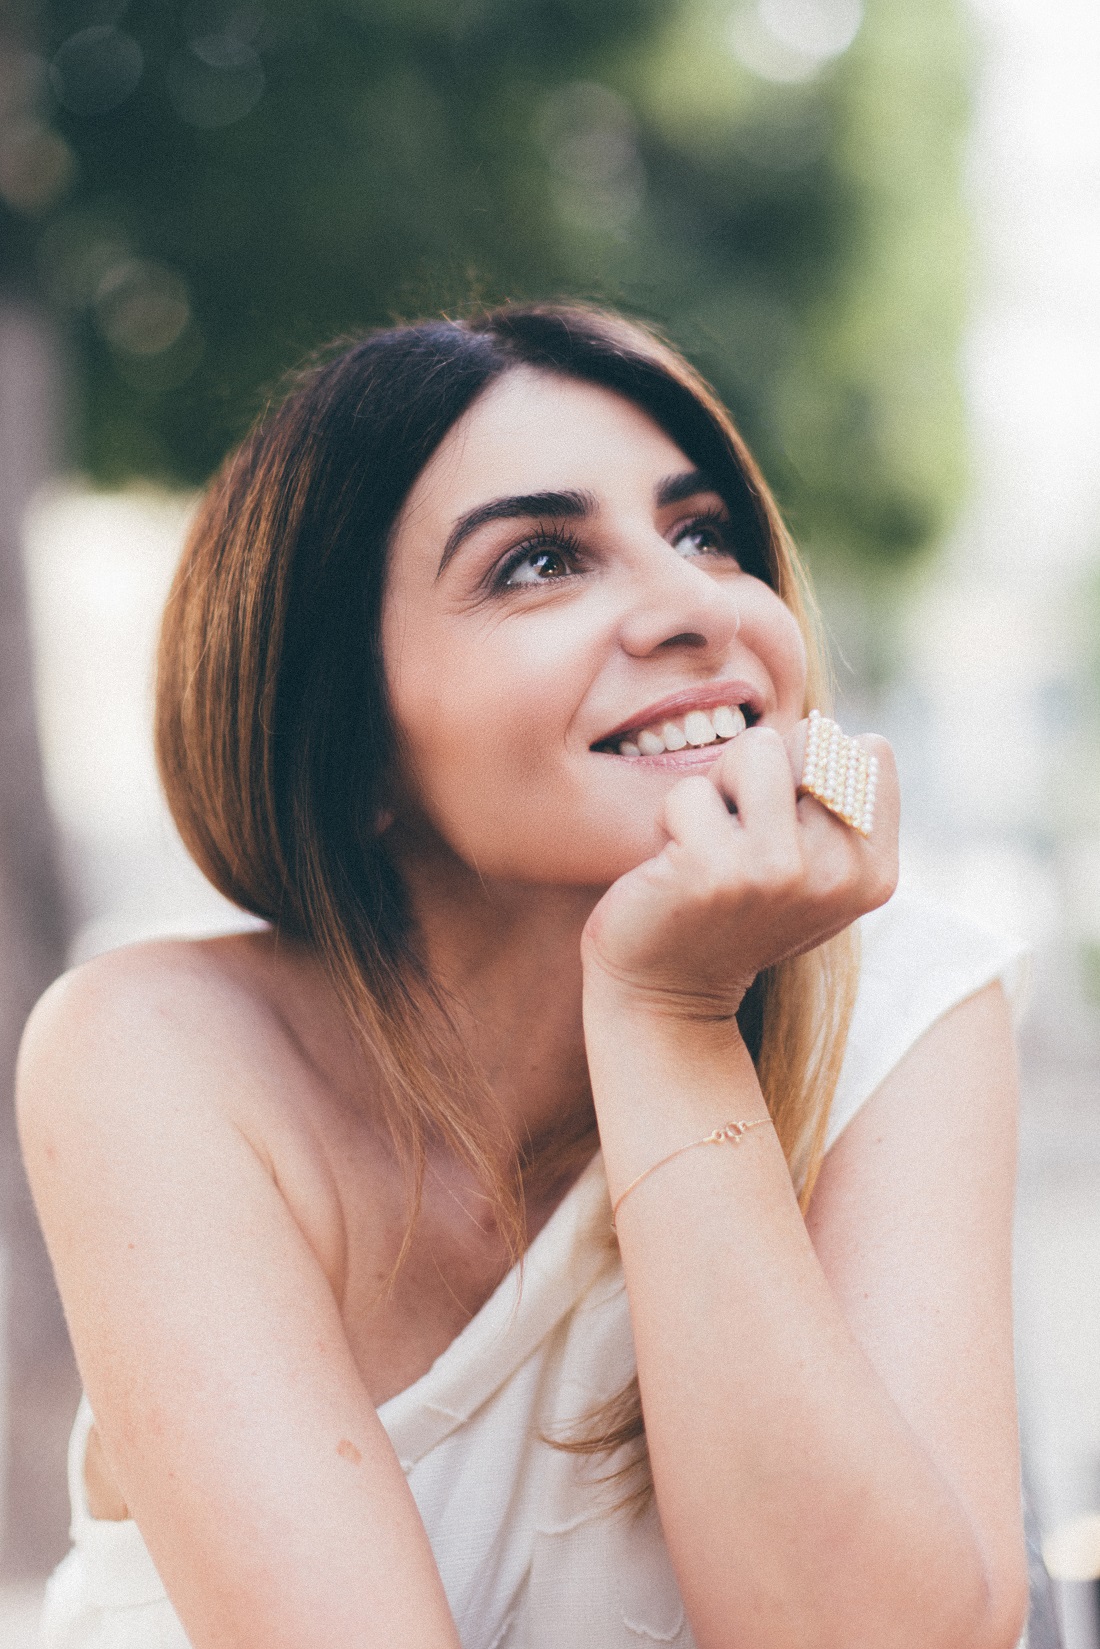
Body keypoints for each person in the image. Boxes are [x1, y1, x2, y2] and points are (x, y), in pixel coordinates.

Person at [18, 304, 1029, 1649]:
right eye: (541, 561)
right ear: (352, 738)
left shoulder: (906, 1006)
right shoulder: (155, 1049)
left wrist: (669, 1025)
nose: (693, 605)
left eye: (704, 531)